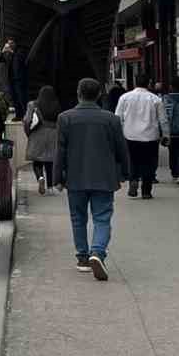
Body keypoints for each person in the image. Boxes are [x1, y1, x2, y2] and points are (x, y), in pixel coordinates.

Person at [55, 77, 130, 281]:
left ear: (78, 93)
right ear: (99, 95)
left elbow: (60, 150)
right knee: (102, 218)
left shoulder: (65, 118)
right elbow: (121, 149)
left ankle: (82, 258)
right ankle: (97, 252)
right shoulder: (111, 119)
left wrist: (58, 177)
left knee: (78, 218)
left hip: (75, 177)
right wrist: (125, 173)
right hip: (104, 177)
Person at [116, 73, 167, 199]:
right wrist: (166, 135)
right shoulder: (156, 99)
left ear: (135, 82)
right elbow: (163, 120)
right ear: (149, 84)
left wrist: (118, 134)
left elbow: (118, 117)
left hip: (130, 135)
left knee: (132, 160)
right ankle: (146, 190)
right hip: (150, 137)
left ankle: (133, 180)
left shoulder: (125, 97)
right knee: (149, 163)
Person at [23, 85, 61, 194]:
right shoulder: (57, 105)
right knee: (50, 161)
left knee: (37, 160)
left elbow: (27, 120)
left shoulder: (33, 104)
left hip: (38, 134)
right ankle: (50, 187)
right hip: (53, 135)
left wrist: (28, 133)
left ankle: (40, 178)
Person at [2, 39, 28, 124]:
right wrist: (3, 52)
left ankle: (25, 115)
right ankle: (18, 115)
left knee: (22, 98)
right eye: (9, 43)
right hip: (12, 79)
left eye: (11, 43)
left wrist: (12, 52)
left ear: (15, 43)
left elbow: (22, 60)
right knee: (15, 98)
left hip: (19, 79)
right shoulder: (9, 53)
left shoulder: (20, 51)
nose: (10, 44)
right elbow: (1, 60)